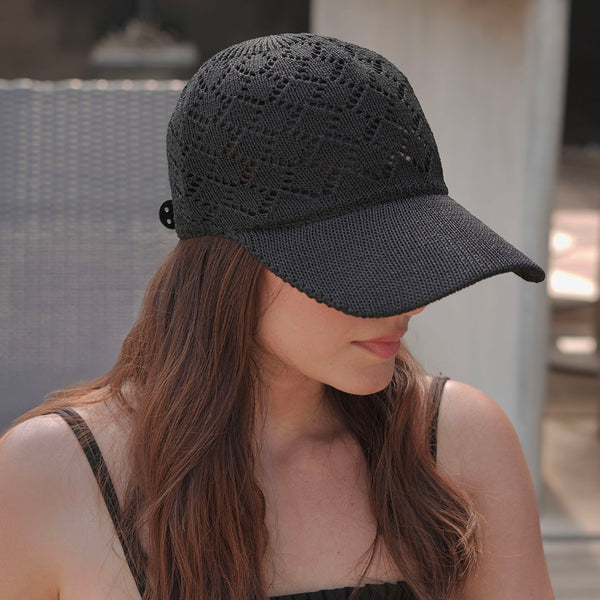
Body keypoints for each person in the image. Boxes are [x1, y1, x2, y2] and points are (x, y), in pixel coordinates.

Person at [0, 33, 554, 600]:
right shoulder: (54, 473)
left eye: (412, 251)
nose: (410, 301)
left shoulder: (456, 444)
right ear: (231, 266)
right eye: (359, 261)